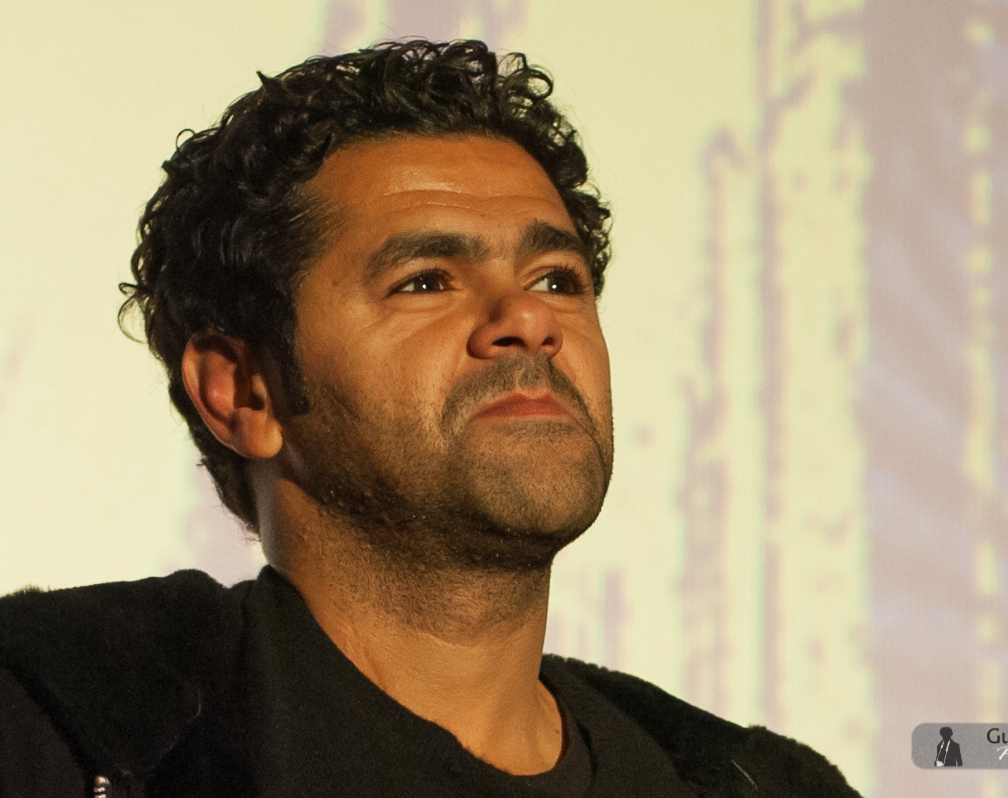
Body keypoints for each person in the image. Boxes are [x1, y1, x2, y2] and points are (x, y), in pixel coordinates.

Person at [0, 40, 861, 797]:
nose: (530, 319)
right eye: (425, 282)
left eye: (556, 279)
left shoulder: (751, 784)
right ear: (244, 392)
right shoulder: (56, 727)